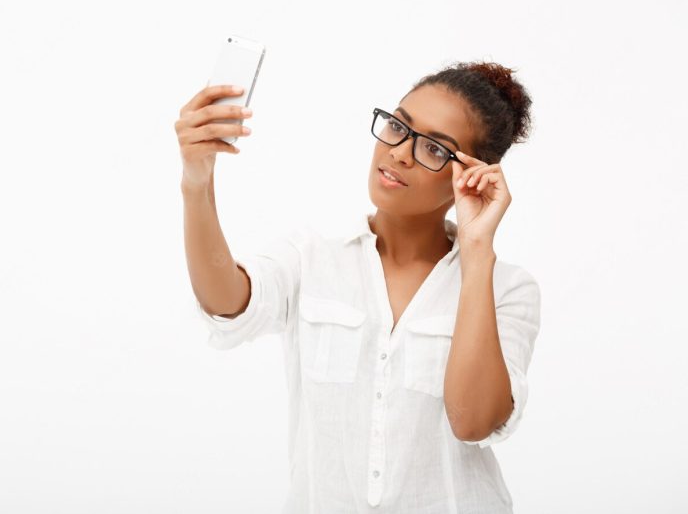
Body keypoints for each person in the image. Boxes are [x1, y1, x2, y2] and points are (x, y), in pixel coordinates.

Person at [176, 61, 542, 513]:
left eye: (433, 149)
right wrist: (197, 180)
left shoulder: (507, 289)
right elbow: (226, 302)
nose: (401, 153)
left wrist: (476, 249)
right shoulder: (311, 257)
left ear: (471, 175)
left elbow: (473, 421)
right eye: (397, 126)